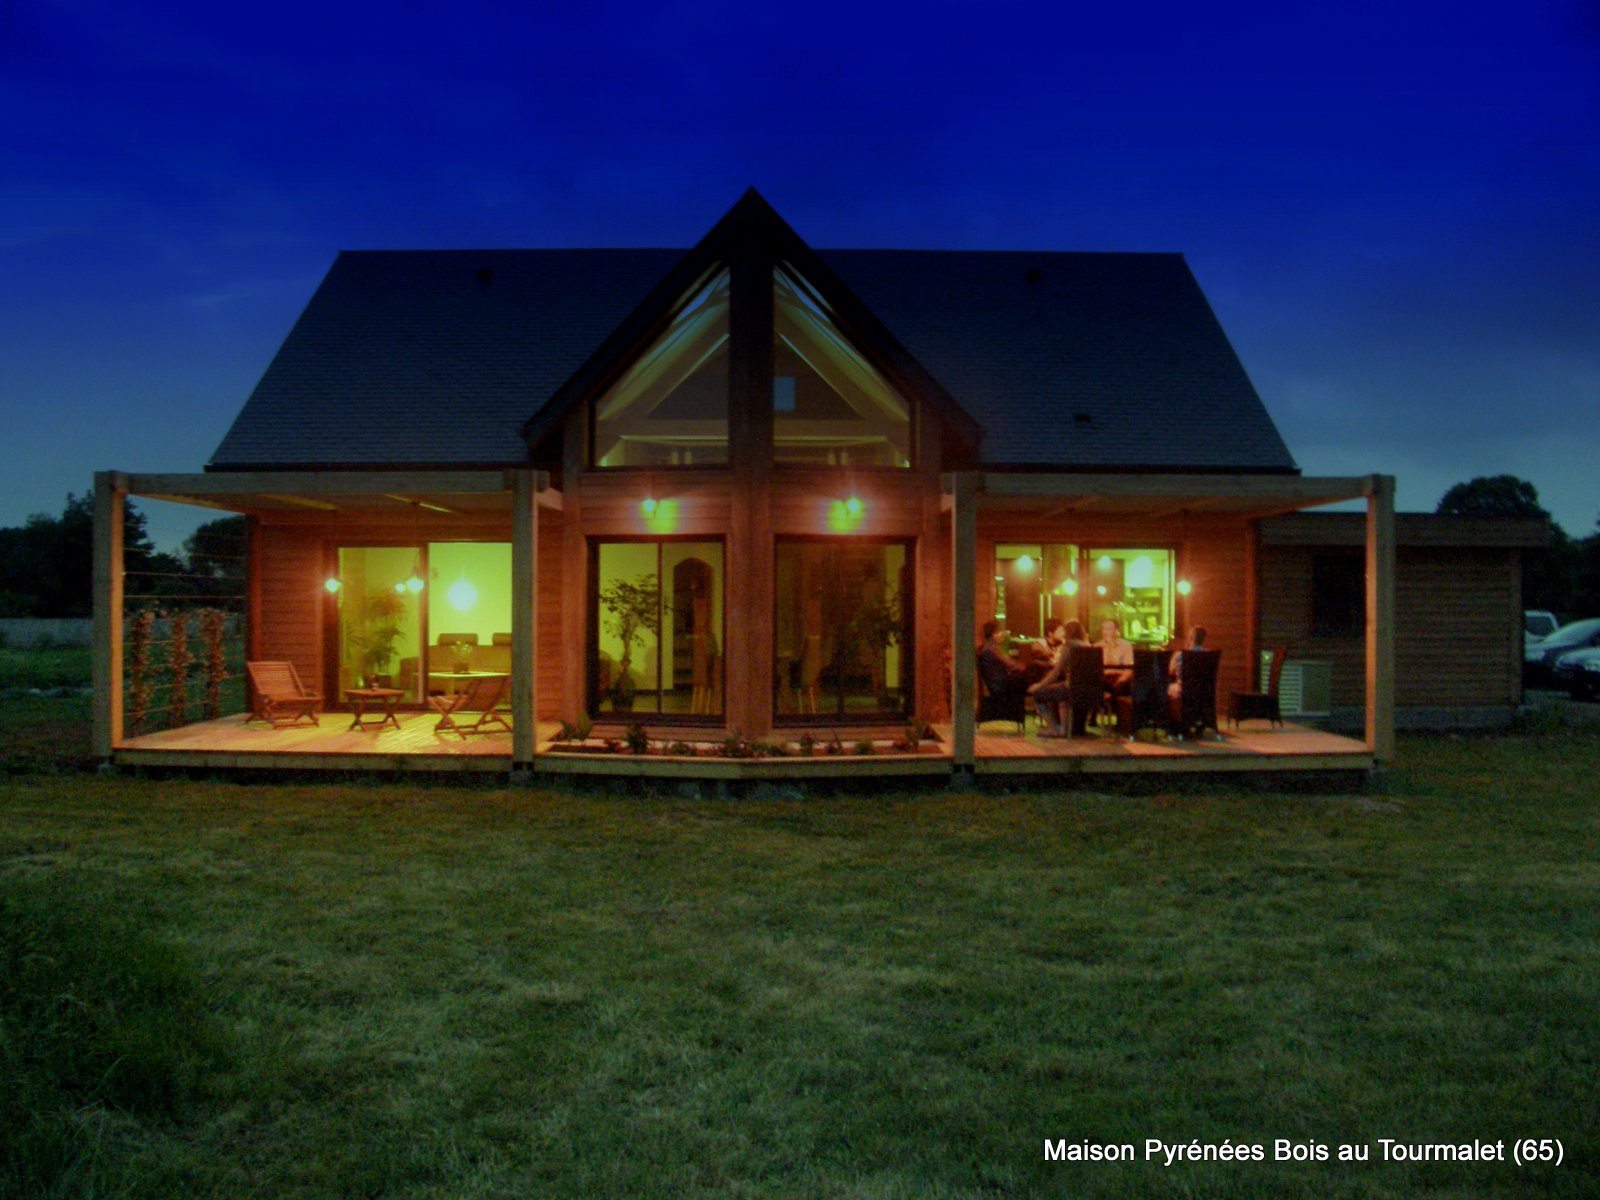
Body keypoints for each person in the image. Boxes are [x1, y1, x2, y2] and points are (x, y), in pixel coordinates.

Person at [1027, 619, 1089, 735]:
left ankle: (1054, 728)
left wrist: (1038, 686)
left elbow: (1056, 673)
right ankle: (1064, 728)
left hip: (1071, 687)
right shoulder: (1088, 646)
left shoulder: (1068, 647)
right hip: (1090, 690)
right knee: (1062, 696)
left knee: (1038, 694)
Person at [977, 619, 1026, 700]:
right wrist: (1020, 666)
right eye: (1000, 632)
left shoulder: (988, 646)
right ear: (994, 634)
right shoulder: (992, 647)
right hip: (999, 684)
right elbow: (1007, 662)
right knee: (1022, 680)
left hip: (995, 682)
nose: (1002, 634)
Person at [1167, 625, 1208, 703]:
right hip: (1203, 691)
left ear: (1191, 638)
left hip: (1183, 690)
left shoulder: (1180, 655)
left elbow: (1171, 671)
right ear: (1204, 639)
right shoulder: (1208, 656)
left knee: (1163, 689)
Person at [1096, 618, 1133, 697]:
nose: (1105, 632)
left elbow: (1129, 667)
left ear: (1116, 630)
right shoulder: (1097, 646)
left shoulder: (1125, 645)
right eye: (1103, 629)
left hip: (1119, 677)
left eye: (1108, 629)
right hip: (1103, 678)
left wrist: (1122, 680)